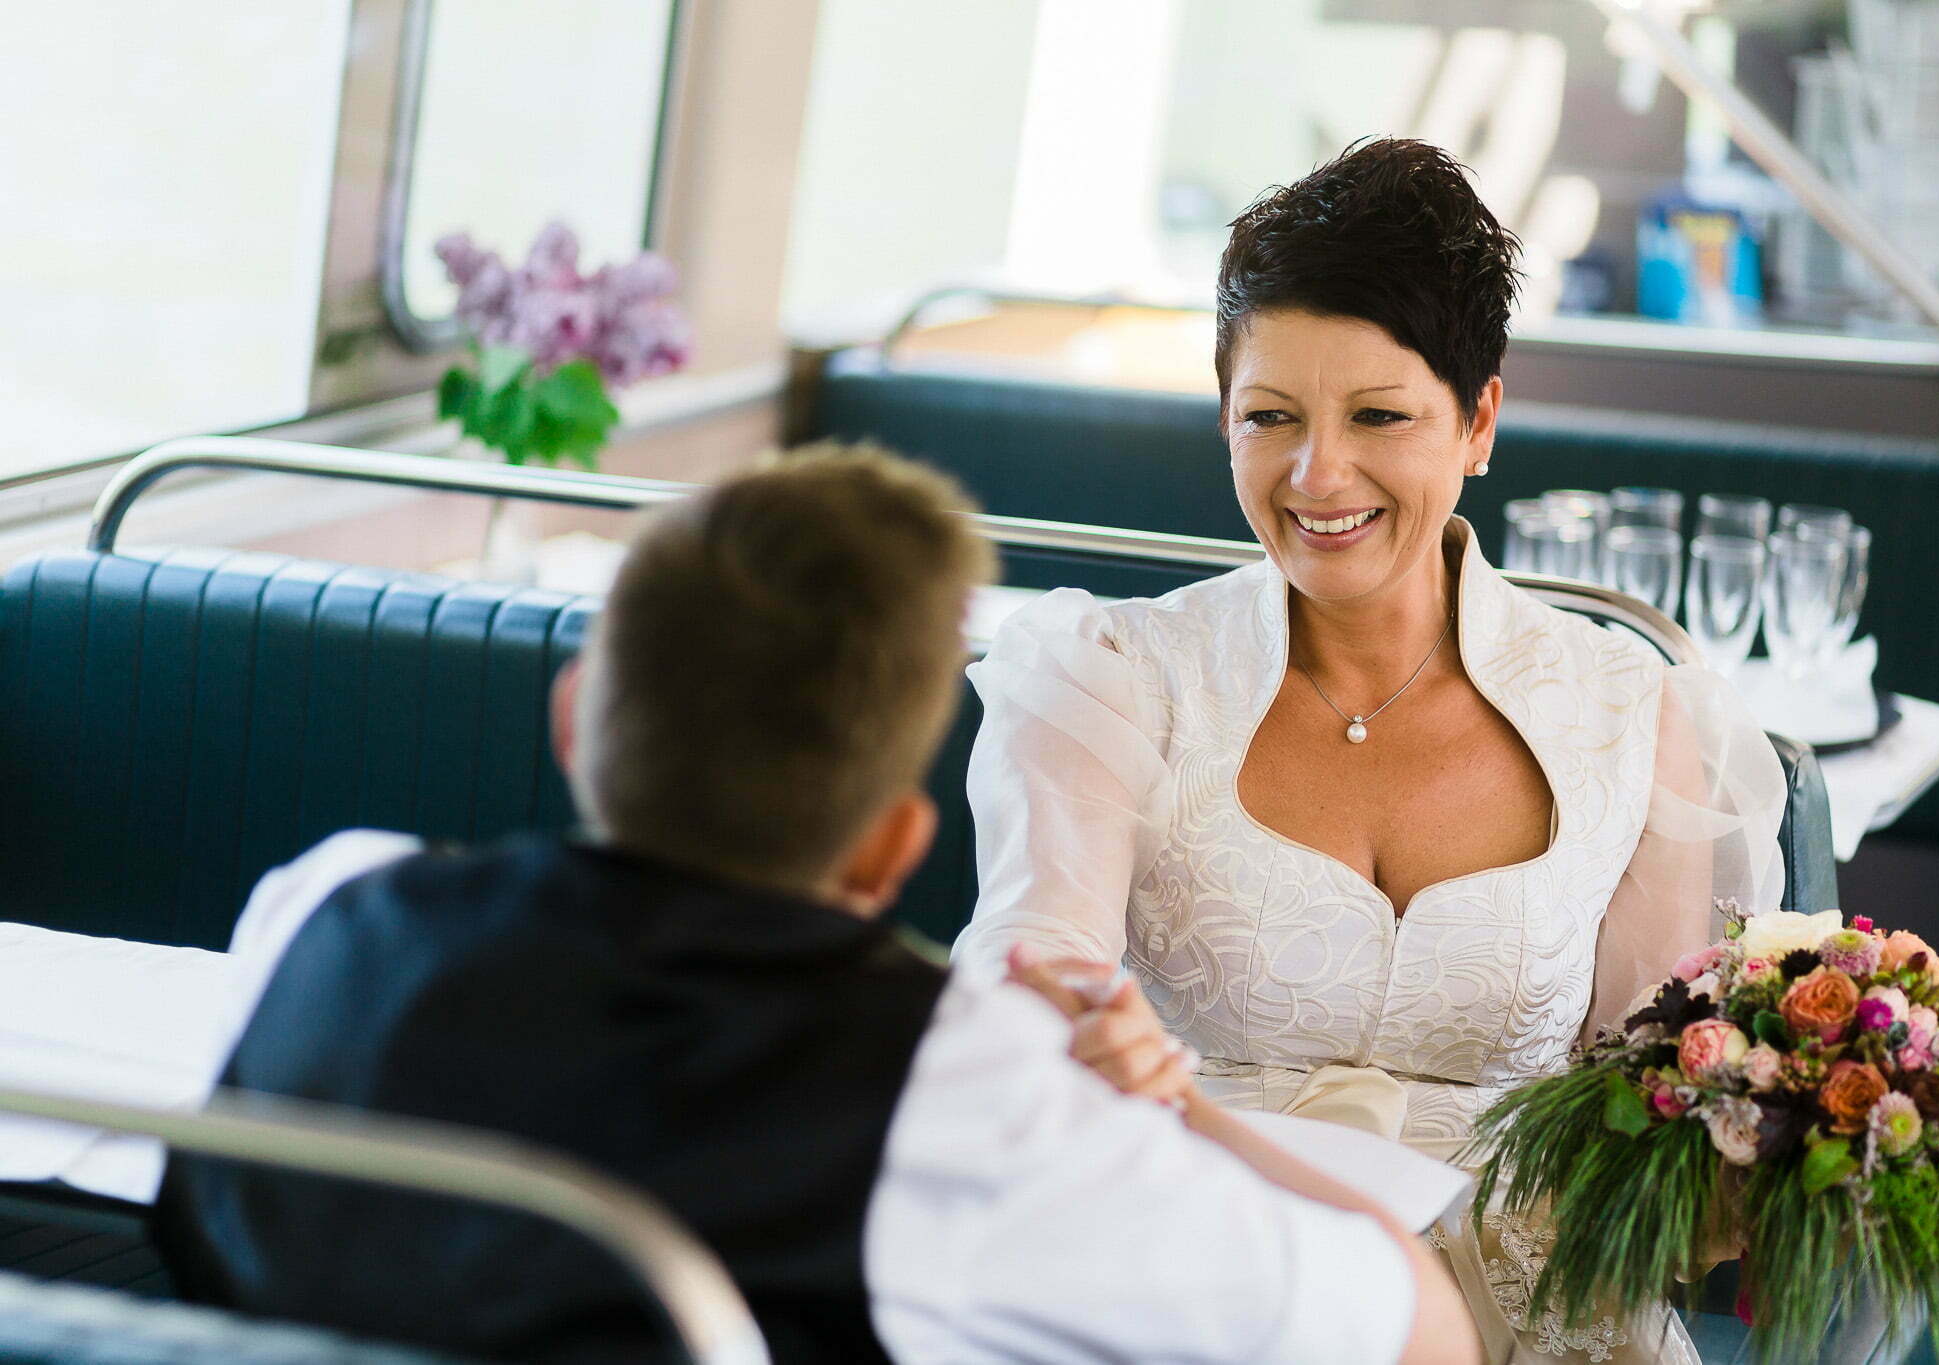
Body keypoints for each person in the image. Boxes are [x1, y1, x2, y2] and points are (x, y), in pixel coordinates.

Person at [150, 447, 1479, 1365]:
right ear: (894, 847)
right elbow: (1414, 1333)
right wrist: (1176, 1106)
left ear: (570, 721)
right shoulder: (953, 1085)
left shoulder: (325, 909)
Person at [950, 139, 1788, 1365]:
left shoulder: (1628, 709)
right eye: (1269, 418)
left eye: (1379, 416)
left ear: (1478, 421)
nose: (1314, 474)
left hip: (1545, 1313)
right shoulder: (1106, 679)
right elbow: (1033, 975)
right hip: (1218, 1283)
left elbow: (1648, 1088)